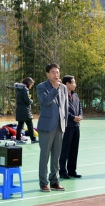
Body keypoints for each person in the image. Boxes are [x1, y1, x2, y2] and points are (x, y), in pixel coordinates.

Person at [37, 63, 69, 192]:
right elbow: (45, 101)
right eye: (53, 72)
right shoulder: (41, 87)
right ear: (47, 74)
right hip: (46, 126)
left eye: (57, 72)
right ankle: (43, 182)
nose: (56, 74)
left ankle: (54, 181)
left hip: (60, 126)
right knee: (45, 156)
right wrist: (54, 88)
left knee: (56, 156)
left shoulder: (64, 88)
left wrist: (64, 124)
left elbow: (65, 107)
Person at [59, 75, 83, 179]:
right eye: (73, 82)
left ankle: (72, 170)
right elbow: (62, 110)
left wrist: (80, 116)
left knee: (74, 149)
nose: (75, 84)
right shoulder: (61, 95)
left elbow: (80, 107)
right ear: (67, 84)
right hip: (67, 126)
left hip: (76, 126)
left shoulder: (75, 95)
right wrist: (72, 117)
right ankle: (62, 171)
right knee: (65, 149)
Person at [14, 77, 38, 144]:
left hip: (19, 109)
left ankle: (18, 139)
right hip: (25, 110)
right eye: (31, 84)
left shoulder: (19, 89)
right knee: (30, 125)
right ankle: (33, 139)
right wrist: (31, 101)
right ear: (29, 83)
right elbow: (27, 100)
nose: (31, 85)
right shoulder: (25, 89)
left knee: (20, 125)